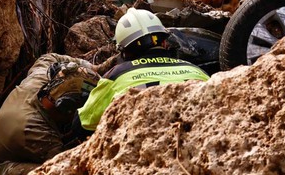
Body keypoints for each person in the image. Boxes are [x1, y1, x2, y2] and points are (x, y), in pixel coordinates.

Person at [74, 8, 210, 135]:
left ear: (123, 51)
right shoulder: (196, 70)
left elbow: (83, 123)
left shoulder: (116, 76)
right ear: (164, 43)